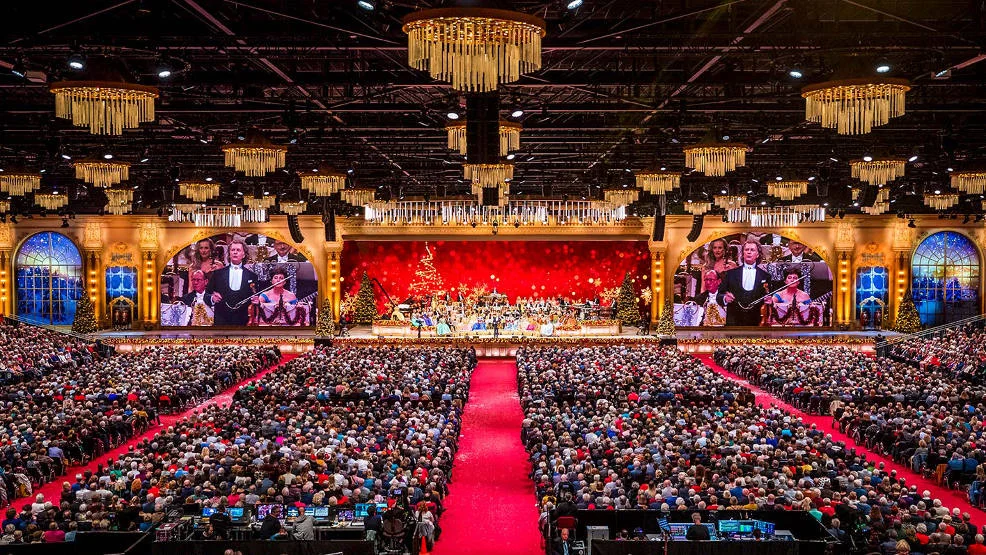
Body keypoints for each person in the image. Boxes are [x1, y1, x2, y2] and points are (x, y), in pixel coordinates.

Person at [717, 240, 772, 326]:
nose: (749, 252)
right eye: (746, 250)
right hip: (734, 322)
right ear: (743, 253)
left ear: (758, 254)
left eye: (752, 250)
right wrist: (724, 298)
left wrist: (769, 300)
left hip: (756, 321)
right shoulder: (731, 274)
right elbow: (719, 295)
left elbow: (769, 297)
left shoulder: (765, 276)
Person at [207, 239, 258, 326]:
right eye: (232, 250)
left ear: (243, 255)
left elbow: (256, 297)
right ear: (229, 254)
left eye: (238, 250)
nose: (235, 252)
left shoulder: (252, 276)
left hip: (243, 321)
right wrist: (212, 298)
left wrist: (257, 301)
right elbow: (206, 294)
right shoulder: (218, 274)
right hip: (221, 321)